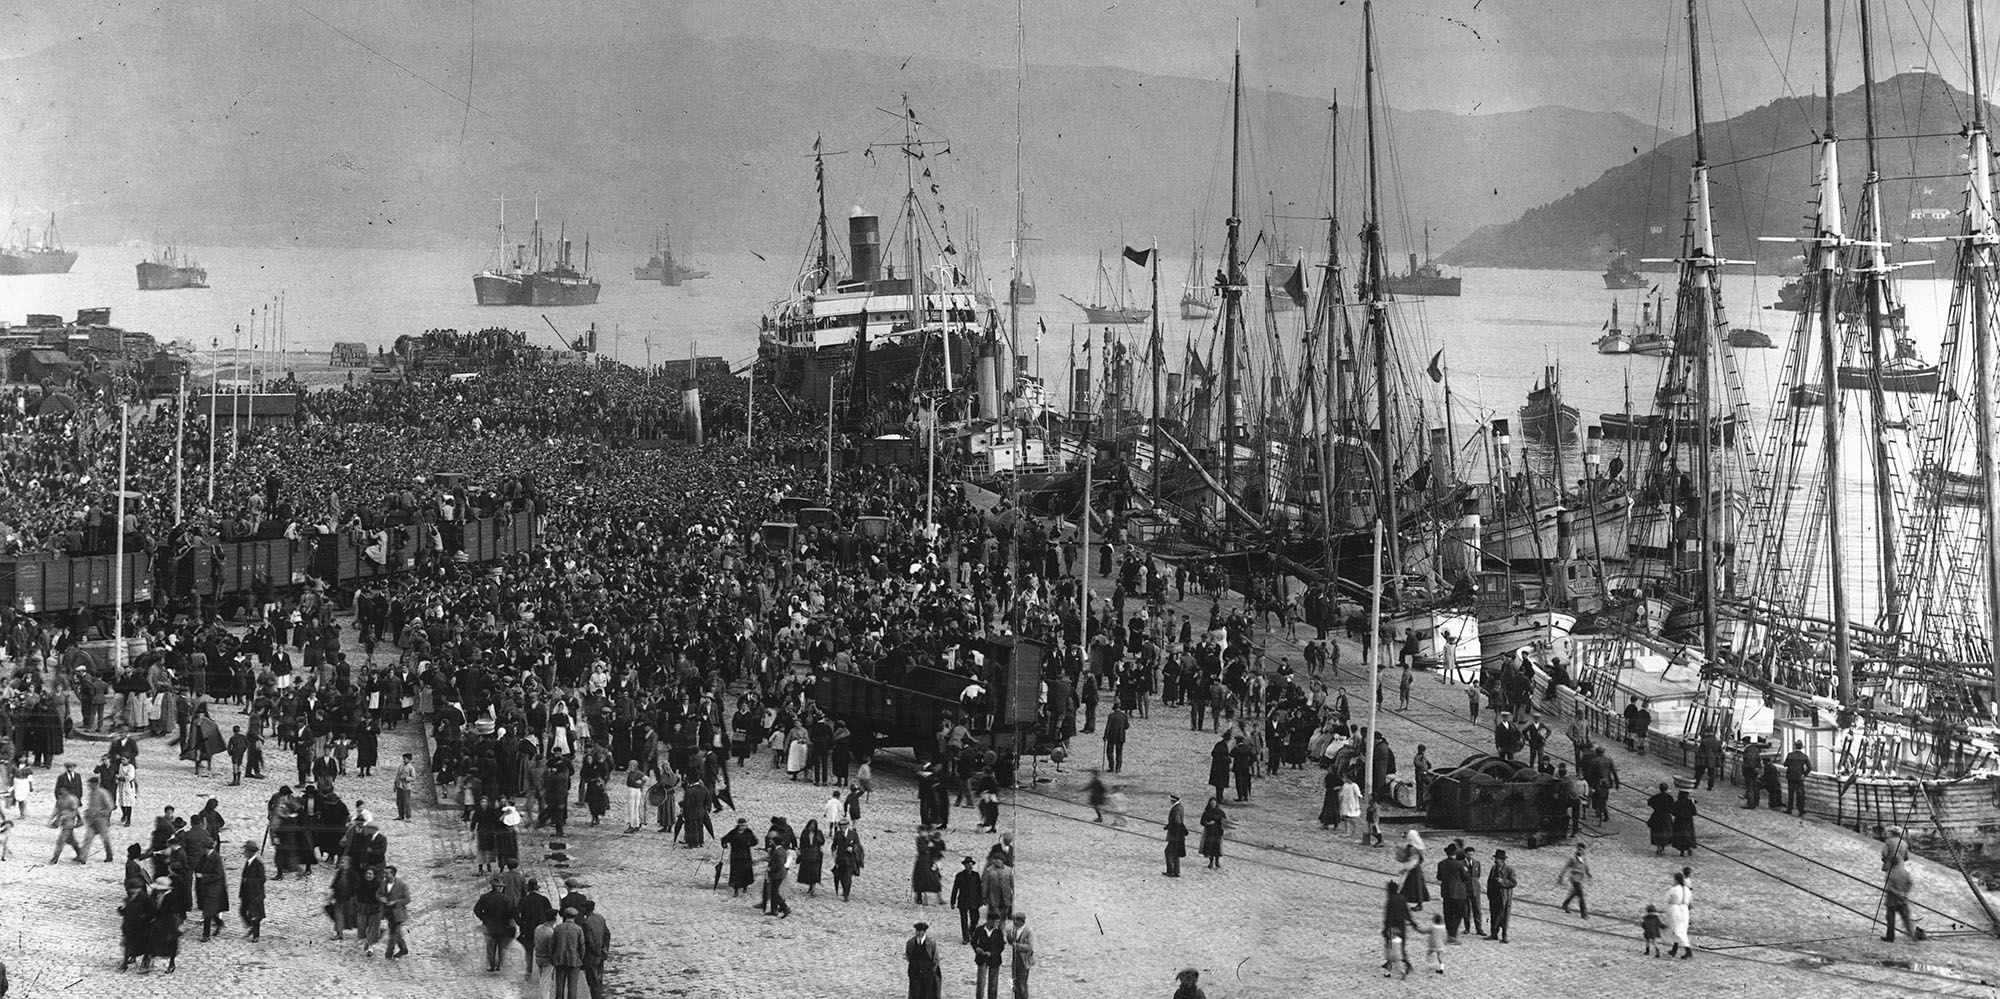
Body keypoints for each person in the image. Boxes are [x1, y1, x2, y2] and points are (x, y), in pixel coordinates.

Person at [474, 876, 517, 972]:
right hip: (502, 926)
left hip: (489, 925)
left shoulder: (484, 897)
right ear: (500, 887)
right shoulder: (505, 898)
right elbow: (510, 912)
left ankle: (491, 965)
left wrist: (483, 917)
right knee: (501, 946)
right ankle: (500, 965)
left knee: (490, 946)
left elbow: (477, 909)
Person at [549, 908, 588, 999]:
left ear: (565, 916)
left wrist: (553, 957)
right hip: (574, 961)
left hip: (559, 960)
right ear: (575, 917)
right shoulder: (578, 929)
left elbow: (551, 944)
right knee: (572, 987)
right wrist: (580, 958)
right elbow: (582, 947)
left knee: (559, 986)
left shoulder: (558, 928)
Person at [1381, 881, 1415, 979]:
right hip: (1402, 926)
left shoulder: (1390, 900)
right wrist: (1412, 922)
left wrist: (1385, 927)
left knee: (1390, 946)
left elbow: (1388, 916)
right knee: (1401, 947)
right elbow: (1406, 912)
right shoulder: (1402, 898)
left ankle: (1390, 964)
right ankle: (1406, 963)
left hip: (1392, 926)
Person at [971, 909, 1006, 999]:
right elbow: (973, 942)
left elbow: (1001, 946)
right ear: (990, 921)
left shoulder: (998, 932)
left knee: (993, 984)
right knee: (981, 984)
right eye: (996, 922)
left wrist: (992, 953)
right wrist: (977, 948)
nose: (997, 924)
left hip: (994, 960)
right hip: (982, 959)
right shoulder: (979, 930)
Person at [1883, 859, 1919, 943]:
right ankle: (1912, 936)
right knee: (1906, 919)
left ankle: (1890, 938)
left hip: (1892, 900)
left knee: (1891, 919)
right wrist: (1905, 892)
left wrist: (1898, 893)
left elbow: (1889, 887)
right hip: (1903, 900)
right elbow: (1910, 883)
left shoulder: (1890, 873)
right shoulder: (1905, 873)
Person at [906, 921, 942, 999]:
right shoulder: (910, 943)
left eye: (919, 931)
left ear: (924, 932)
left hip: (928, 974)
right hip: (915, 973)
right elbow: (908, 956)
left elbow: (935, 959)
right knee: (915, 993)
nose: (917, 933)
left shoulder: (931, 943)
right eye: (916, 931)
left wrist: (931, 971)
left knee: (927, 993)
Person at [239, 842, 267, 942]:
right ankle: (250, 926)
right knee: (242, 911)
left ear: (250, 852)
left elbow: (262, 879)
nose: (244, 853)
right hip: (246, 893)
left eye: (245, 851)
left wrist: (249, 881)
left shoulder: (258, 864)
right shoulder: (247, 863)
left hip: (255, 893)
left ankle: (256, 936)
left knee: (255, 915)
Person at [951, 857, 984, 942]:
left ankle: (971, 931)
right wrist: (952, 901)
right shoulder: (959, 876)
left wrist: (981, 900)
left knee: (975, 918)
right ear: (964, 865)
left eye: (970, 864)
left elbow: (979, 889)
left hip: (974, 901)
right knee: (964, 920)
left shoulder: (976, 875)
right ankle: (966, 938)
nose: (969, 866)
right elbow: (955, 889)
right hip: (963, 900)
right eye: (967, 864)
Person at [1556, 842, 1592, 919]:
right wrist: (1561, 876)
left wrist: (1588, 874)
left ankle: (1565, 904)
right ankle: (1584, 913)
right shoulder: (1572, 858)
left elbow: (1585, 867)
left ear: (1584, 850)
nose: (1580, 851)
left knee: (1575, 893)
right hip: (1574, 879)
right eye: (1578, 849)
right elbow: (1565, 867)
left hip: (1580, 879)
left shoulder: (1584, 859)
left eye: (1581, 850)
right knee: (1581, 896)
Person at [1004, 912, 1035, 999]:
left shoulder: (1028, 931)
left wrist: (1016, 946)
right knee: (1015, 984)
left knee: (1022, 984)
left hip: (1024, 961)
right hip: (1015, 961)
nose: (1014, 922)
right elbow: (1011, 942)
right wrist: (1008, 936)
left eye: (1016, 921)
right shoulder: (1014, 930)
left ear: (1022, 921)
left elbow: (1030, 947)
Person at [1663, 871, 1692, 958]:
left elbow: (1667, 899)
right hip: (1685, 910)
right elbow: (1690, 902)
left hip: (1676, 909)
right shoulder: (1687, 889)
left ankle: (1688, 951)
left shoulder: (1674, 889)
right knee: (1680, 929)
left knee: (1677, 930)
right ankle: (1674, 950)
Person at [1782, 740, 1812, 815]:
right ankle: (1801, 810)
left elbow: (1785, 764)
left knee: (1791, 793)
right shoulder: (1804, 756)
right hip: (1799, 777)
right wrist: (1804, 774)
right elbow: (1810, 767)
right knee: (1800, 794)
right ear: (1801, 747)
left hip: (1791, 776)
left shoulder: (1790, 755)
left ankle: (1789, 809)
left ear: (1794, 746)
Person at [1163, 795, 1187, 877]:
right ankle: (1176, 871)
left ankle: (1171, 871)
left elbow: (1177, 821)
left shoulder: (1176, 809)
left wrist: (1169, 826)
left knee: (1168, 852)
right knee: (1175, 853)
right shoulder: (1180, 807)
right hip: (1179, 835)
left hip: (1174, 835)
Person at [1198, 797, 1226, 870]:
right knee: (1210, 847)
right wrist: (1207, 824)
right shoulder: (1206, 812)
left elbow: (1225, 821)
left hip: (1218, 832)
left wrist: (1220, 824)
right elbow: (1202, 822)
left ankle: (1217, 862)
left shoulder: (1220, 812)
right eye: (1211, 803)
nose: (1213, 804)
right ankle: (1211, 862)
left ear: (1216, 803)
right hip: (1209, 832)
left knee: (1217, 847)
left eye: (1214, 803)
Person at [1102, 705, 1128, 773]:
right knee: (1119, 753)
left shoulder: (1111, 716)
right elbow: (1127, 726)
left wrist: (1105, 736)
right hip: (1121, 736)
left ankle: (1111, 767)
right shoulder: (1124, 715)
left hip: (1111, 736)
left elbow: (1108, 726)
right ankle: (1118, 768)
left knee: (1109, 752)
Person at [394, 753, 416, 821]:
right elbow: (397, 775)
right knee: (399, 802)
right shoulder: (401, 766)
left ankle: (408, 816)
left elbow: (413, 778)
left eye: (405, 759)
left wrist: (406, 778)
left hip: (406, 787)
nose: (404, 760)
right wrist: (395, 785)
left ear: (409, 760)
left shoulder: (411, 768)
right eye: (403, 758)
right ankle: (401, 815)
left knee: (406, 802)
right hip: (399, 786)